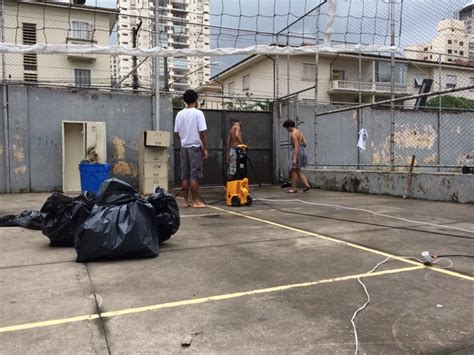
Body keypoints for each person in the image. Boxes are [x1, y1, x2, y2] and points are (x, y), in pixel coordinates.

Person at [174, 89, 208, 208]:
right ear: (196, 100)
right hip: (195, 147)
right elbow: (202, 133)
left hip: (184, 148)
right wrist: (205, 148)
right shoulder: (198, 113)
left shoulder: (179, 114)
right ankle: (196, 201)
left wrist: (184, 138)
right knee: (194, 175)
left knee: (185, 175)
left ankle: (185, 201)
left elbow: (176, 133)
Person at [283, 119, 311, 193]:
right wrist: (301, 149)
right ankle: (307, 185)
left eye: (286, 127)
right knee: (298, 170)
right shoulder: (299, 132)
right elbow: (305, 144)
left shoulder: (293, 134)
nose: (286, 129)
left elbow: (296, 146)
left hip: (296, 152)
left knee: (294, 170)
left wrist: (294, 158)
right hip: (301, 151)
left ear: (289, 127)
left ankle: (294, 188)